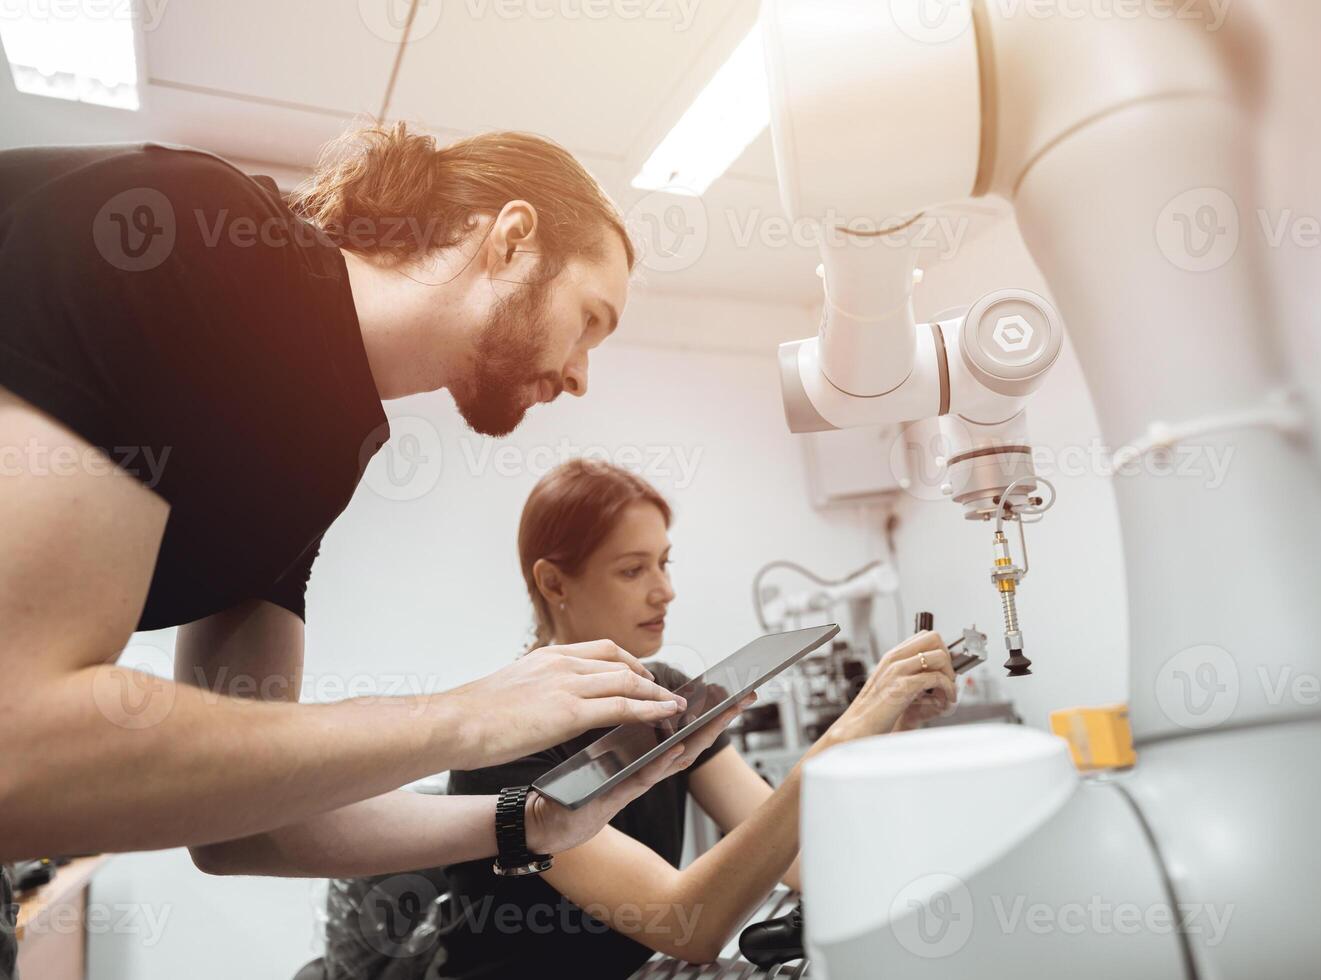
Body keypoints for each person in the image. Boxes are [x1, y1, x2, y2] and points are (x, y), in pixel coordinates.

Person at [0, 125, 740, 975]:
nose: (579, 376)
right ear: (510, 241)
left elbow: (244, 829)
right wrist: (464, 718)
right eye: (588, 322)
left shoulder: (315, 451)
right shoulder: (195, 237)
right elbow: (18, 748)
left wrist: (525, 821)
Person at [437, 460, 954, 978]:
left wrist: (892, 728)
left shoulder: (665, 694)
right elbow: (687, 925)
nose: (665, 590)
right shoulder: (502, 740)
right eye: (633, 569)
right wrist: (848, 728)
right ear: (554, 583)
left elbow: (799, 858)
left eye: (665, 562)